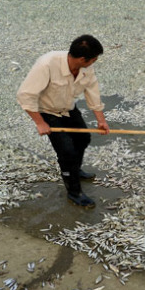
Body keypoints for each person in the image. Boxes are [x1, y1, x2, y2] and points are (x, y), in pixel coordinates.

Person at [16, 34, 110, 209]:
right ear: (83, 59)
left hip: (67, 108)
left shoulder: (86, 68)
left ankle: (75, 170)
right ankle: (74, 193)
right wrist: (39, 122)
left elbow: (92, 91)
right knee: (66, 152)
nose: (95, 62)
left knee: (83, 139)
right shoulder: (47, 64)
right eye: (94, 59)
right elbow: (25, 95)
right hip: (47, 112)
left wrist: (101, 121)